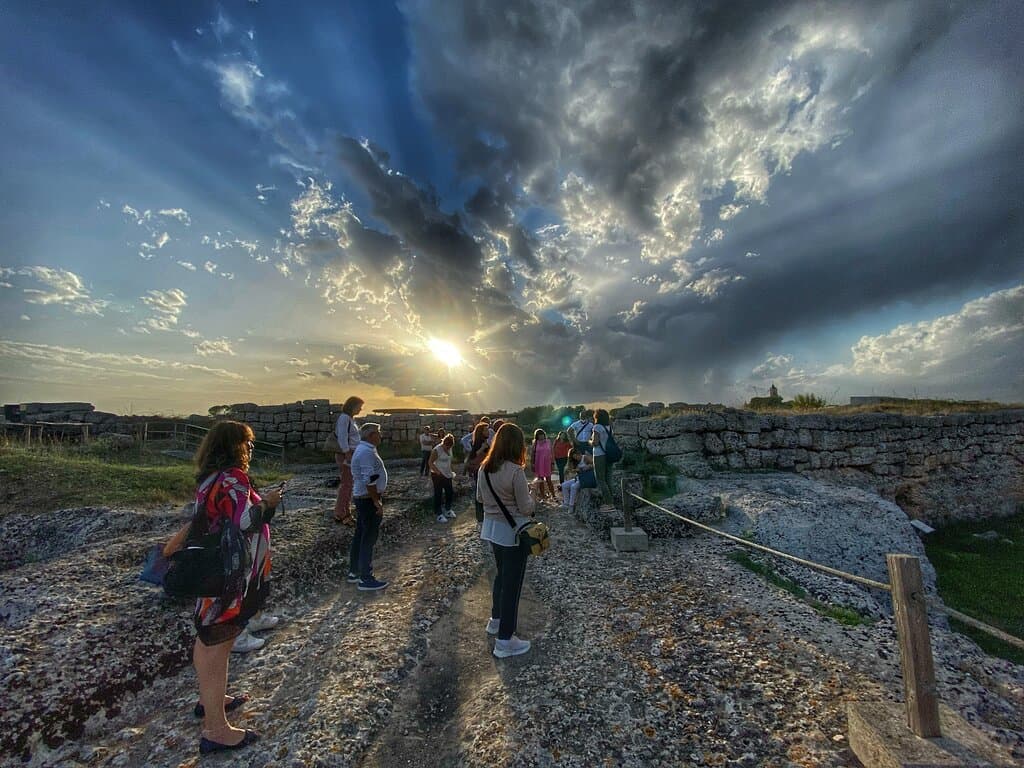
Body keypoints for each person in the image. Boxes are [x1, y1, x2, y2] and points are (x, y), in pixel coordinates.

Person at [190, 421, 281, 754]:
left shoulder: (210, 478)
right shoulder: (233, 478)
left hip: (211, 570)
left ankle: (209, 700)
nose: (250, 449)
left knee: (207, 639)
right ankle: (216, 729)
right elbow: (245, 521)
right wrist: (268, 503)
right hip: (228, 575)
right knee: (219, 644)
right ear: (234, 447)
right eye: (247, 443)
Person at [477, 423, 535, 658]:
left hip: (492, 530)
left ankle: (496, 619)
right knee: (512, 585)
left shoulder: (484, 468)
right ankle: (505, 641)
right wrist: (534, 496)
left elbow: (480, 498)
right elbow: (526, 508)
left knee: (501, 577)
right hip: (513, 534)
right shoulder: (515, 471)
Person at [348, 422, 389, 590]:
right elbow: (369, 479)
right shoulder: (366, 452)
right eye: (378, 433)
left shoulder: (365, 449)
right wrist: (376, 501)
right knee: (368, 538)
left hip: (363, 498)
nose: (381, 436)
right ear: (371, 436)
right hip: (367, 499)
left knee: (360, 535)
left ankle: (354, 572)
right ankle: (366, 578)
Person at [333, 396, 364, 524]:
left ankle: (346, 511)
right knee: (347, 484)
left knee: (349, 484)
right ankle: (340, 513)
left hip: (351, 453)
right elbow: (342, 437)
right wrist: (347, 453)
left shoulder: (350, 419)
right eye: (359, 407)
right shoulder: (344, 418)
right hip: (347, 454)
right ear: (352, 406)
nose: (360, 409)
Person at [465, 421, 490, 522]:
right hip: (479, 470)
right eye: (486, 430)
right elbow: (473, 455)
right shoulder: (479, 443)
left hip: (484, 470)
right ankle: (480, 516)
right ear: (481, 432)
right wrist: (483, 448)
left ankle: (483, 515)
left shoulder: (484, 442)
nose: (488, 432)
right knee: (480, 492)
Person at [429, 434, 457, 522]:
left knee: (450, 492)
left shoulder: (450, 448)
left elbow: (449, 461)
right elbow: (430, 463)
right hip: (438, 475)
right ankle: (439, 514)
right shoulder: (437, 450)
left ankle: (448, 510)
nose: (448, 449)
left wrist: (453, 472)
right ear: (444, 444)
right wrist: (438, 472)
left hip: (447, 474)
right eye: (446, 447)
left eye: (449, 447)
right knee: (438, 494)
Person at [590, 408, 614, 507]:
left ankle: (609, 503)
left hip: (599, 455)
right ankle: (611, 501)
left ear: (597, 417)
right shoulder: (609, 427)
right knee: (608, 479)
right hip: (609, 455)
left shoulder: (597, 427)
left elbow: (595, 443)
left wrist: (589, 441)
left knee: (600, 479)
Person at [530, 429, 555, 500]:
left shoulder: (548, 442)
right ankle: (543, 496)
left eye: (542, 435)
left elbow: (552, 453)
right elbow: (532, 454)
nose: (541, 436)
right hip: (538, 463)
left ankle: (553, 495)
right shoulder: (535, 443)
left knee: (549, 480)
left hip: (547, 463)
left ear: (544, 435)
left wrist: (552, 463)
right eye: (539, 435)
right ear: (537, 436)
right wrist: (532, 463)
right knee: (540, 481)